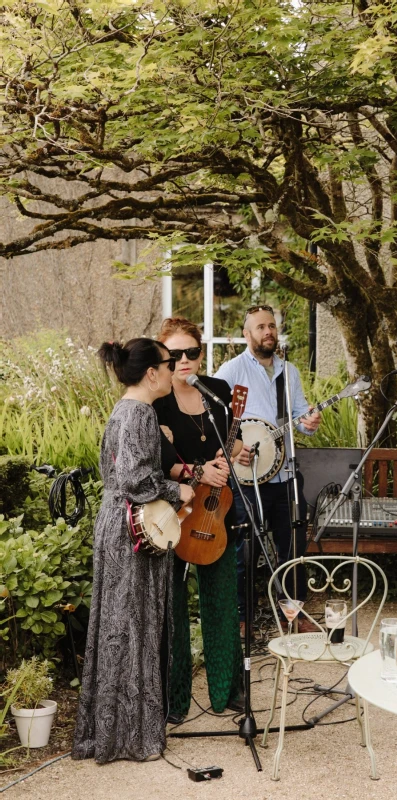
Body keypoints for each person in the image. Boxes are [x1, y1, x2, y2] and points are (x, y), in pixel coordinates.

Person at [72, 338, 194, 764]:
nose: (175, 366)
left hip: (114, 524)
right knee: (135, 625)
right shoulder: (141, 413)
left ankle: (109, 731)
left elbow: (119, 475)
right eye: (169, 361)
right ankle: (131, 735)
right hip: (133, 530)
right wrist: (178, 489)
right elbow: (136, 483)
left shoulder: (123, 409)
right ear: (151, 373)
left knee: (116, 627)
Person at [153, 317, 244, 721]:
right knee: (172, 607)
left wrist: (238, 452)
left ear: (201, 353)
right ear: (163, 357)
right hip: (175, 513)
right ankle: (174, 699)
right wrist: (196, 471)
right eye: (175, 354)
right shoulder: (157, 399)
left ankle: (227, 691)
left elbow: (232, 438)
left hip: (217, 510)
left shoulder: (219, 391)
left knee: (223, 601)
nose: (185, 360)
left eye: (192, 352)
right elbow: (156, 461)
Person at [214, 305, 321, 635]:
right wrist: (232, 451)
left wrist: (310, 422)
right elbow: (214, 419)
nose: (268, 331)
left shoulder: (289, 372)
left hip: (285, 474)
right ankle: (242, 616)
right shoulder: (230, 372)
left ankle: (295, 612)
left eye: (272, 325)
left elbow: (301, 417)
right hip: (246, 479)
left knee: (293, 546)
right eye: (260, 327)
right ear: (247, 335)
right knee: (243, 550)